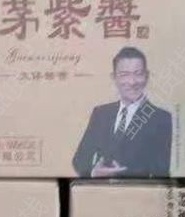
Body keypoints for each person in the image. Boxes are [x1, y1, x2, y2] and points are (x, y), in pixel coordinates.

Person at [72, 46, 172, 178]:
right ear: (114, 77)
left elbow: (161, 173)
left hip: (135, 190)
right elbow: (79, 160)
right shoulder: (100, 113)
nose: (132, 82)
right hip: (98, 189)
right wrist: (94, 173)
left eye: (138, 74)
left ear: (147, 76)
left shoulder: (161, 118)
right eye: (124, 75)